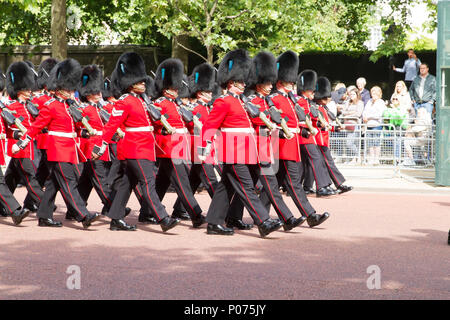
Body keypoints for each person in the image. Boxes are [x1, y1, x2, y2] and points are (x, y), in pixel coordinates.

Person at [92, 52, 180, 232]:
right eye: (140, 81)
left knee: (127, 184)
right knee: (148, 183)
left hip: (144, 146)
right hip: (134, 148)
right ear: (130, 82)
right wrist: (100, 145)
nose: (143, 83)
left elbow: (149, 124)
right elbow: (111, 126)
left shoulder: (141, 100)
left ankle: (116, 218)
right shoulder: (124, 102)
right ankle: (163, 217)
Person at [200, 49, 284, 237]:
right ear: (231, 82)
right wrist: (203, 148)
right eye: (241, 81)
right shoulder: (224, 101)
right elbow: (209, 126)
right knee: (246, 186)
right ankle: (263, 221)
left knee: (225, 187)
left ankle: (213, 222)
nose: (244, 84)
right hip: (233, 149)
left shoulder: (241, 101)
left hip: (245, 149)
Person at [11, 58, 100, 228]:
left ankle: (44, 216)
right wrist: (22, 142)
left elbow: (73, 128)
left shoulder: (69, 105)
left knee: (53, 184)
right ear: (59, 89)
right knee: (69, 182)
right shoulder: (51, 106)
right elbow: (36, 127)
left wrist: (87, 133)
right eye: (68, 88)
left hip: (69, 148)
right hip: (57, 149)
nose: (71, 90)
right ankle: (83, 215)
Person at [266, 51, 330, 227]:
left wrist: (304, 132)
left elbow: (295, 122)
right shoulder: (273, 98)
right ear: (280, 82)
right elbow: (274, 121)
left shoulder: (290, 99)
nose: (293, 84)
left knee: (274, 184)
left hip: (291, 143)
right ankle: (310, 215)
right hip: (281, 144)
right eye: (289, 81)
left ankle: (265, 217)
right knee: (293, 182)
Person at [152, 58, 207, 228]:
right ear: (166, 88)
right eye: (174, 87)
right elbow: (156, 123)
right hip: (170, 147)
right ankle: (196, 214)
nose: (177, 90)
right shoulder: (159, 103)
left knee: (161, 181)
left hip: (178, 146)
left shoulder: (174, 104)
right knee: (182, 182)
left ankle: (147, 211)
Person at [4, 61, 45, 212]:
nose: (30, 90)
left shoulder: (28, 105)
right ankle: (45, 204)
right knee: (30, 178)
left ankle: (3, 206)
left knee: (10, 178)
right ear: (19, 90)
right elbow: (8, 128)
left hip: (28, 147)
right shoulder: (11, 107)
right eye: (26, 88)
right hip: (20, 147)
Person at [313, 76, 353, 194]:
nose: (328, 98)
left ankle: (335, 184)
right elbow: (316, 124)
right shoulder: (316, 107)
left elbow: (327, 125)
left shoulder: (323, 108)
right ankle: (330, 185)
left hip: (323, 138)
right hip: (317, 139)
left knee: (326, 162)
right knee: (325, 162)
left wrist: (336, 128)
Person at [362, 86, 386, 165]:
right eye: (373, 92)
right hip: (368, 125)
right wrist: (364, 116)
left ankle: (376, 159)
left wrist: (369, 116)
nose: (374, 94)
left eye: (376, 92)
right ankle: (371, 158)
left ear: (379, 93)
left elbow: (379, 114)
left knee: (376, 142)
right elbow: (365, 111)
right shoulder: (369, 101)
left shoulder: (381, 102)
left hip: (377, 125)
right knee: (370, 143)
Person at [340, 87, 364, 164]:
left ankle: (358, 156)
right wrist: (351, 113)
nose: (351, 96)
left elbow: (358, 114)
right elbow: (343, 112)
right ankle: (353, 159)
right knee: (349, 143)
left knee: (350, 142)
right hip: (347, 125)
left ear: (357, 95)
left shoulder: (360, 103)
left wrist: (348, 114)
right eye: (350, 94)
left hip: (355, 125)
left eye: (353, 94)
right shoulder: (348, 102)